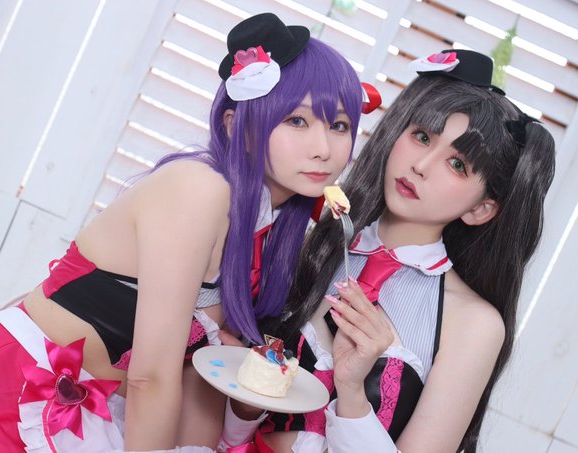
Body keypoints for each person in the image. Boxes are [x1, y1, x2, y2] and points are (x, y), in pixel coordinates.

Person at [0, 13, 368, 452]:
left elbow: (194, 375)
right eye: (297, 121)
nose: (323, 148)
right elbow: (151, 375)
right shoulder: (199, 189)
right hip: (6, 393)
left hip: (100, 413)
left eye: (339, 125)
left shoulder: (264, 231)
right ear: (237, 125)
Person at [236, 49, 556, 452]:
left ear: (481, 209)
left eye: (457, 164)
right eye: (422, 137)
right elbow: (228, 419)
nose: (422, 164)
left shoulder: (474, 324)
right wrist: (244, 404)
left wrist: (353, 391)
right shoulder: (312, 248)